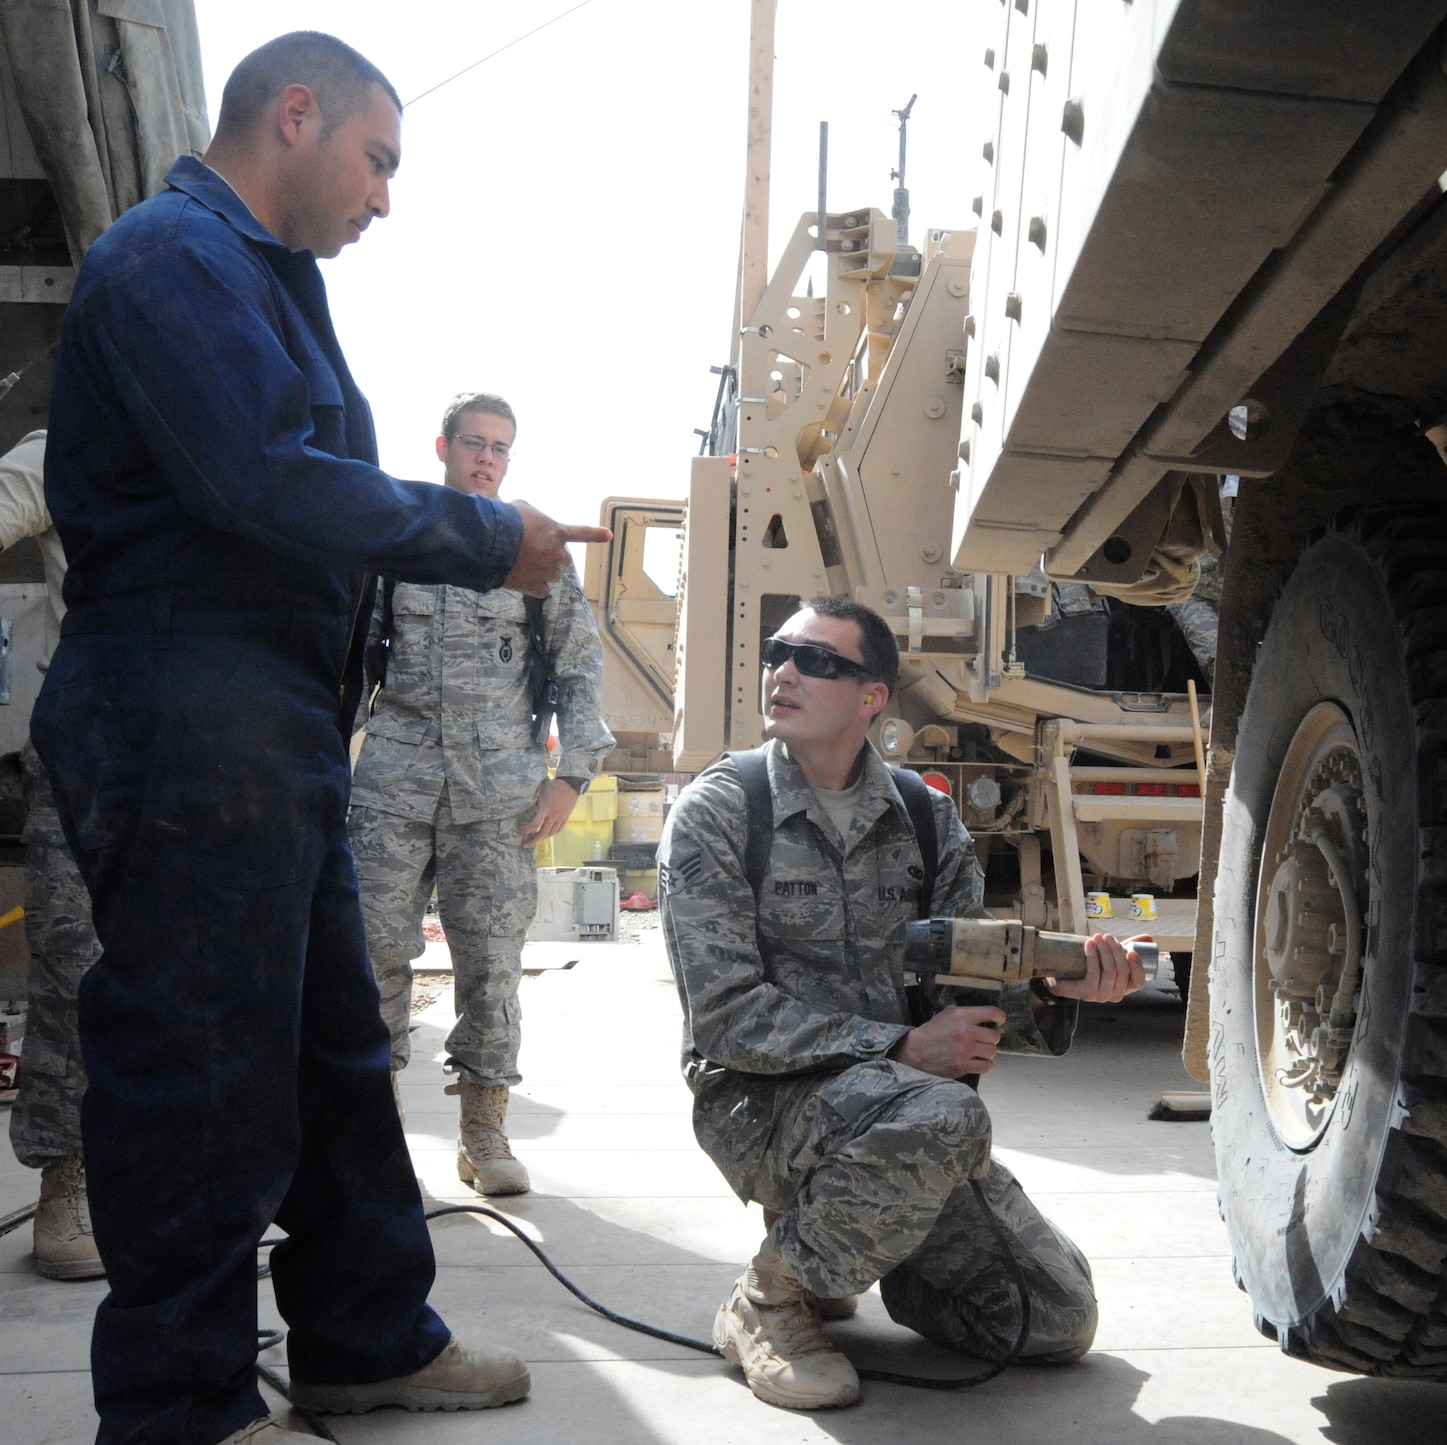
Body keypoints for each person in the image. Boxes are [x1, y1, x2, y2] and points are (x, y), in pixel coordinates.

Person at [32, 33, 609, 1445]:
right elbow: (263, 481)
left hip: (263, 729)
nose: (385, 198)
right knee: (203, 1071)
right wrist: (483, 535)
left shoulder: (258, 279)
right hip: (187, 713)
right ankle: (179, 1402)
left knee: (334, 1055)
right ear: (295, 114)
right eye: (379, 160)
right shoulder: (173, 257)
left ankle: (363, 1336)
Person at [660, 596, 1149, 1411]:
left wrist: (1059, 989)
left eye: (816, 660)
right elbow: (725, 1015)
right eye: (780, 652)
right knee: (950, 1120)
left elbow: (967, 1000)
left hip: (897, 1111)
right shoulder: (721, 811)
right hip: (758, 1102)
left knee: (1057, 1320)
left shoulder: (927, 819)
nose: (783, 671)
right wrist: (898, 1048)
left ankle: (853, 1254)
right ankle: (771, 1295)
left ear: (871, 698)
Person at [350, 391, 612, 1194]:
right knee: (371, 956)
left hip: (499, 796)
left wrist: (572, 778)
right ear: (443, 447)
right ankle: (371, 1133)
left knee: (492, 964)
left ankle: (484, 1132)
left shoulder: (538, 561)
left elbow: (578, 667)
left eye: (501, 446)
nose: (487, 457)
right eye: (474, 442)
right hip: (391, 786)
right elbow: (344, 661)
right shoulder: (393, 547)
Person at [0, 429, 106, 1282]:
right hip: (90, 739)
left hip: (211, 743)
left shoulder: (232, 443)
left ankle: (180, 1173)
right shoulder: (64, 448)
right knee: (75, 963)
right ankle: (67, 1179)